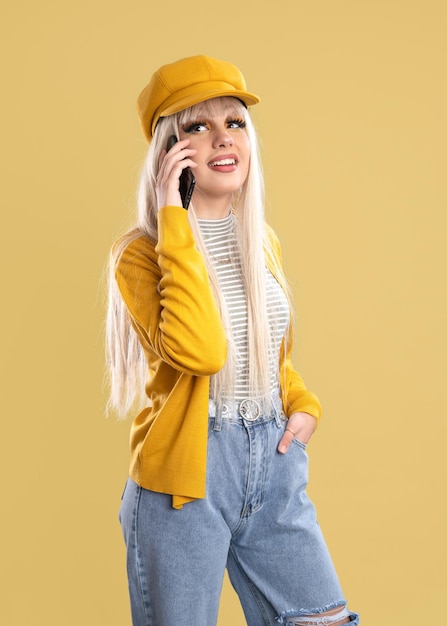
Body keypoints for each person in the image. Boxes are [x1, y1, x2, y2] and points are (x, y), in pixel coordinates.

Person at [106, 54, 359, 626]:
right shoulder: (141, 254)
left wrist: (302, 405)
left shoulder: (258, 239)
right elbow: (203, 352)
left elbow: (269, 351)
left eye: (235, 122)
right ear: (168, 153)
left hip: (273, 459)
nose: (222, 138)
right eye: (196, 126)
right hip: (187, 481)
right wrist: (177, 218)